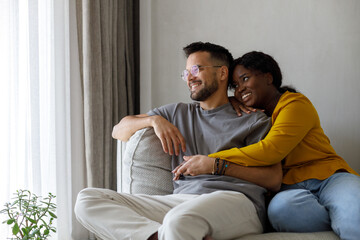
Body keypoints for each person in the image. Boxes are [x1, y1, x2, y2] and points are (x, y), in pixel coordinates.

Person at [74, 42, 283, 240]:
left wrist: (216, 166)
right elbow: (118, 130)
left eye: (196, 70)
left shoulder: (252, 119)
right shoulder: (176, 113)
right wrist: (153, 120)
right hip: (182, 200)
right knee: (87, 200)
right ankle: (159, 236)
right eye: (186, 73)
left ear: (222, 72)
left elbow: (273, 179)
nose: (189, 78)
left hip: (237, 201)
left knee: (179, 221)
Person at [183, 51, 359, 240]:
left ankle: (344, 215)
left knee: (353, 209)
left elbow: (270, 150)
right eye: (235, 86)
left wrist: (212, 161)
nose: (240, 89)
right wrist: (230, 102)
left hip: (329, 178)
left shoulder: (295, 103)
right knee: (280, 212)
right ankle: (337, 216)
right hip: (289, 188)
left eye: (245, 79)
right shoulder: (251, 117)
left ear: (268, 77)